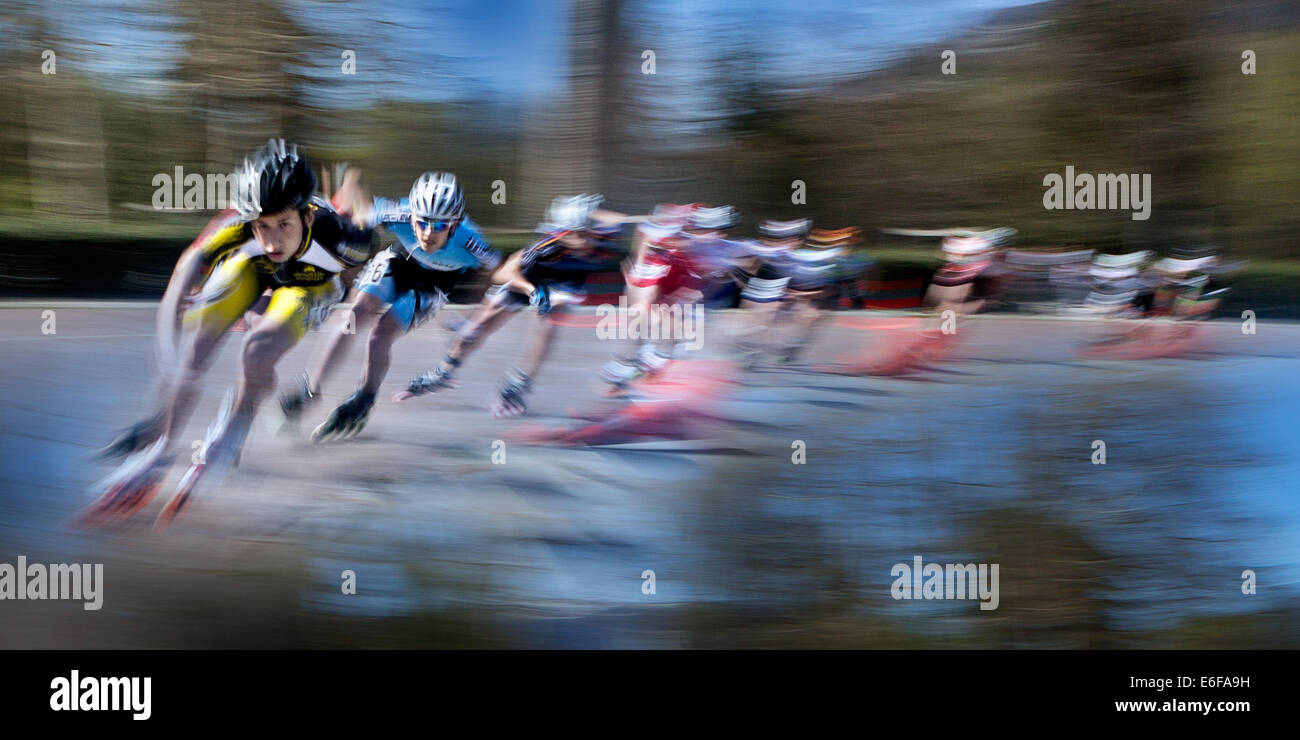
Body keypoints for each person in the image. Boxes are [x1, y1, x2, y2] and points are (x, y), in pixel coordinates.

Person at [85, 140, 376, 527]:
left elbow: (360, 282)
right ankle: (161, 450)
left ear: (307, 216)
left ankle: (234, 429)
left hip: (312, 284)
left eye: (283, 225)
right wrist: (173, 362)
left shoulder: (345, 240)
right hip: (253, 273)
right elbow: (180, 280)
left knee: (257, 349)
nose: (272, 240)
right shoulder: (236, 225)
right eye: (262, 226)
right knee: (195, 348)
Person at [279, 172, 500, 441]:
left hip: (433, 285)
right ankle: (310, 390)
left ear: (454, 225)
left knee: (381, 334)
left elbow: (494, 271)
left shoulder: (471, 242)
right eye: (422, 223)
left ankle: (365, 397)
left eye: (440, 226)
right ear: (413, 216)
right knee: (353, 316)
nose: (429, 233)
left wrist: (476, 316)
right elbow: (356, 219)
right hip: (400, 261)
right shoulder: (398, 214)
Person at [397, 193, 627, 417]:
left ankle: (519, 383)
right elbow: (502, 274)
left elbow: (619, 220)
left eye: (587, 233)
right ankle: (444, 371)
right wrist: (531, 290)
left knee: (550, 321)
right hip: (526, 279)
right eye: (576, 235)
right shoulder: (546, 245)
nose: (584, 242)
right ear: (563, 232)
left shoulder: (606, 236)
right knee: (480, 327)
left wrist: (592, 211)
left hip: (566, 282)